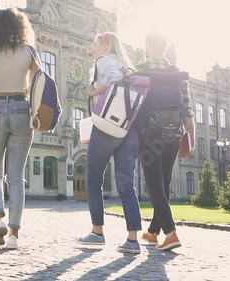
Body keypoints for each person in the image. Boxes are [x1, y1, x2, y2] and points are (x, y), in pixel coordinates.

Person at [0, 7, 38, 249]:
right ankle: (14, 235)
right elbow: (40, 80)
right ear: (19, 27)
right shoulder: (29, 51)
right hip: (21, 109)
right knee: (17, 177)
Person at [76, 32, 143, 254]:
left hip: (107, 128)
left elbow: (114, 79)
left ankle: (97, 232)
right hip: (128, 129)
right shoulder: (127, 65)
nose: (92, 49)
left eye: (94, 45)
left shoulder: (103, 61)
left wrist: (96, 90)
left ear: (105, 45)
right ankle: (132, 239)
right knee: (126, 185)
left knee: (94, 180)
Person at [136, 30, 195, 251]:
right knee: (165, 183)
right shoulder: (179, 76)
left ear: (147, 46)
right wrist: (189, 141)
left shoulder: (140, 73)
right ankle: (153, 232)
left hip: (150, 135)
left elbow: (133, 107)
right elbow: (188, 113)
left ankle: (170, 233)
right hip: (172, 135)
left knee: (154, 184)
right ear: (165, 47)